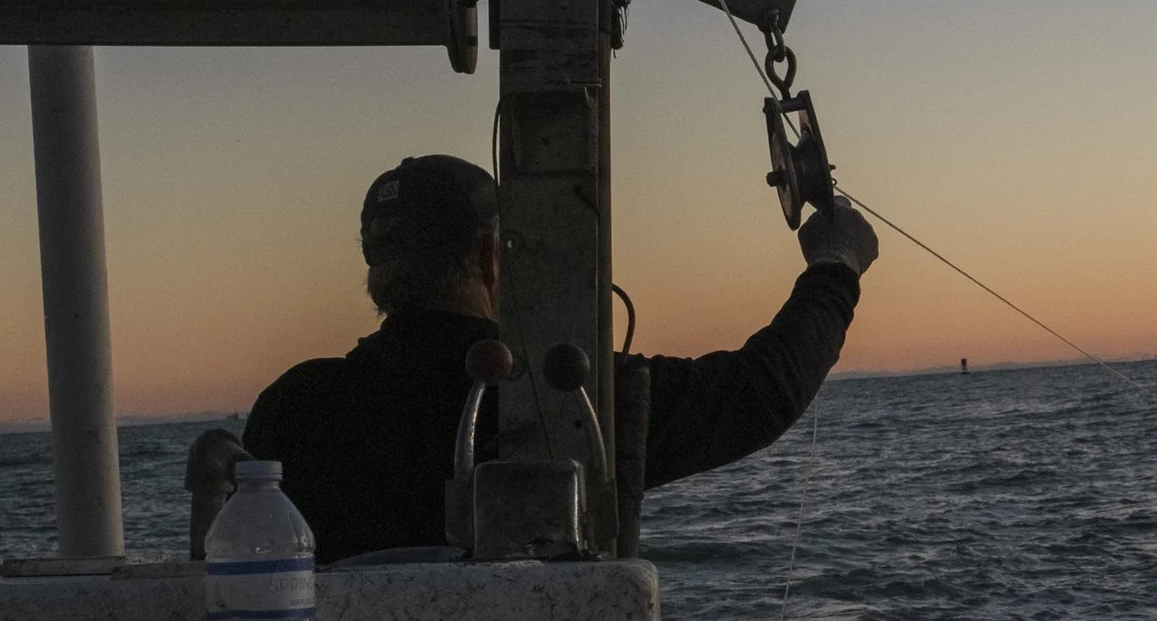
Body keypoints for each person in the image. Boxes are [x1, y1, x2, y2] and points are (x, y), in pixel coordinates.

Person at [238, 154, 878, 565]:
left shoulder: (291, 406)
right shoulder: (563, 396)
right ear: (494, 257)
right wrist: (835, 268)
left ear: (375, 270)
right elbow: (759, 393)